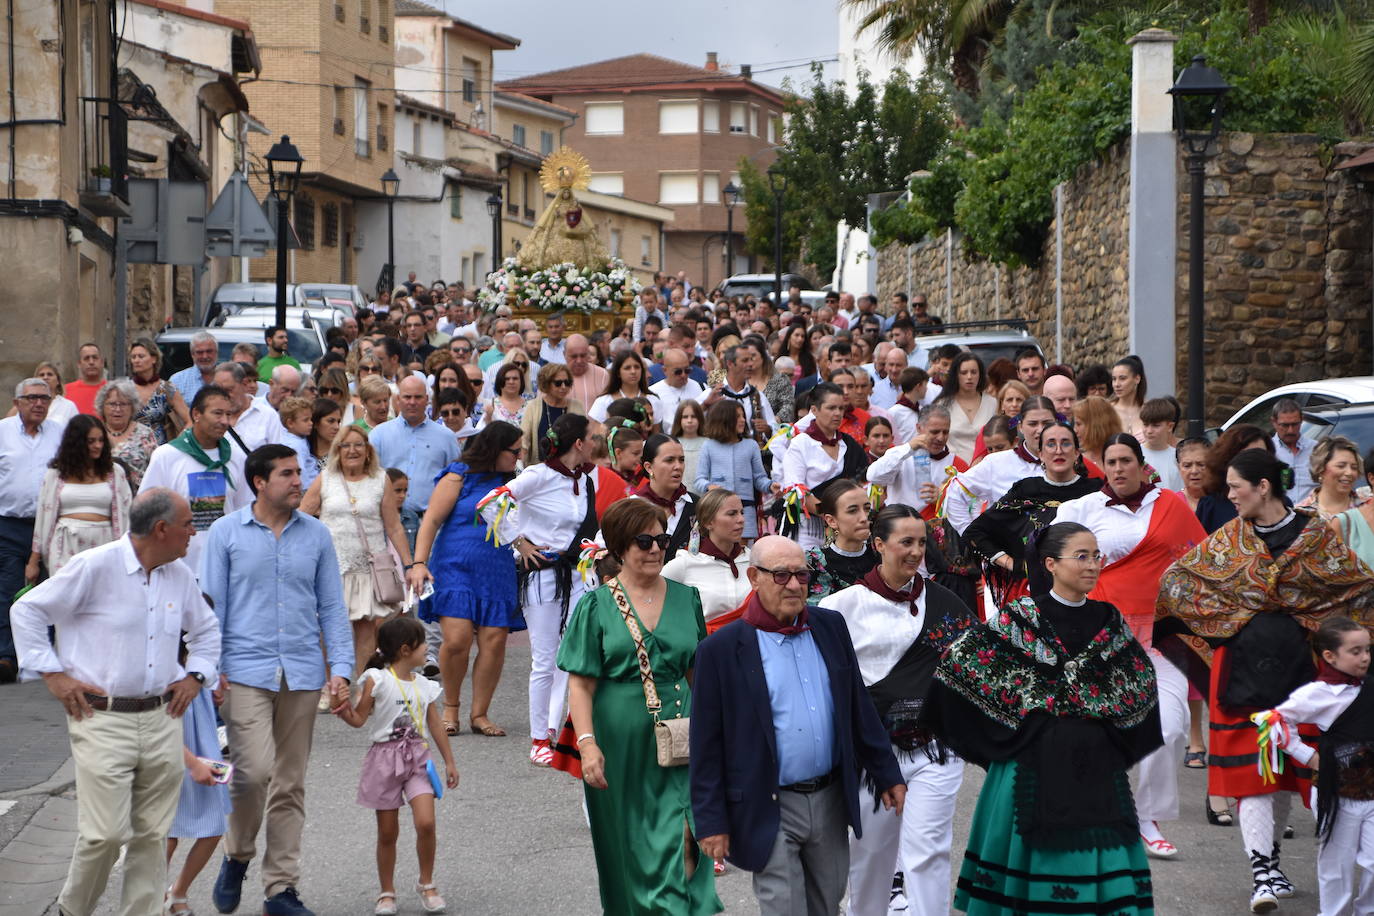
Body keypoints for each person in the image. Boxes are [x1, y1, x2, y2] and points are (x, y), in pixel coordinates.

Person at [1156, 449, 1374, 913]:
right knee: (1251, 773)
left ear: (1263, 487)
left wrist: (1338, 642)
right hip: (1240, 666)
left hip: (1304, 669)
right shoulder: (1229, 540)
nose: (1229, 496)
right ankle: (1262, 871)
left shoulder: (1315, 534)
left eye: (1236, 487)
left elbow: (1357, 587)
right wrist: (1229, 619)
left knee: (1288, 773)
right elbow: (1177, 584)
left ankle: (1273, 863)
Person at [923, 522, 1164, 915]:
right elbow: (960, 671)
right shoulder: (1019, 618)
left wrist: (1107, 730)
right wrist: (1012, 733)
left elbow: (1139, 682)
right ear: (1050, 563)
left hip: (1095, 768)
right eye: (1081, 556)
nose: (1092, 565)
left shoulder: (1109, 620)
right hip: (1026, 767)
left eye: (1096, 556)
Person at [11, 489, 220, 916]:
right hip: (100, 718)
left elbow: (206, 631)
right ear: (161, 529)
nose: (192, 534)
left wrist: (196, 676)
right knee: (103, 835)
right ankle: (73, 910)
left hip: (163, 717)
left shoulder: (178, 574)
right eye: (186, 525)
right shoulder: (94, 566)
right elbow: (27, 611)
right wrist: (53, 675)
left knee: (151, 835)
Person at [690, 535, 906, 916]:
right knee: (784, 905)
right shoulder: (720, 650)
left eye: (801, 575)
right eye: (781, 576)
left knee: (827, 903)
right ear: (754, 577)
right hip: (767, 799)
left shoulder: (829, 626)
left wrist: (887, 772)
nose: (793, 585)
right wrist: (710, 821)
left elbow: (857, 705)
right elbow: (706, 743)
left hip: (830, 797)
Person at [202, 444, 353, 916]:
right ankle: (237, 854)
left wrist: (342, 669)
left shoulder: (317, 536)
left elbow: (332, 606)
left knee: (290, 783)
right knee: (252, 773)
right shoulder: (225, 533)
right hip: (244, 669)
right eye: (287, 474)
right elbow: (212, 608)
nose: (298, 482)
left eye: (299, 473)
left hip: (303, 671)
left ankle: (280, 890)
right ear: (259, 482)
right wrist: (210, 670)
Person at [556, 498, 722, 916]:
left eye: (661, 539)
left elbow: (696, 673)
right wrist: (588, 744)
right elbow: (580, 684)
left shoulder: (688, 599)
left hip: (681, 735)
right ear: (618, 546)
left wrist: (715, 729)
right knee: (632, 850)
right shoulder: (594, 605)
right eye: (643, 540)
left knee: (686, 834)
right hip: (621, 744)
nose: (654, 549)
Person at [817, 506, 975, 914]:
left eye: (922, 542)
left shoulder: (944, 602)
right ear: (879, 545)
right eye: (906, 542)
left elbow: (979, 663)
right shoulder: (839, 607)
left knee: (928, 851)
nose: (916, 551)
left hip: (935, 750)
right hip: (872, 753)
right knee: (871, 856)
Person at [1055, 433, 1204, 860]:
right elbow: (1056, 569)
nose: (1119, 469)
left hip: (1164, 635)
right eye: (1111, 462)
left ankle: (1146, 816)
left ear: (1142, 464)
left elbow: (1202, 560)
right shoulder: (1081, 509)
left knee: (1170, 728)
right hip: (1104, 634)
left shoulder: (1170, 505)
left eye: (1126, 461)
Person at [331, 616, 458, 916]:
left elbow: (436, 726)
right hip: (384, 760)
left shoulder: (425, 686)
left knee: (426, 823)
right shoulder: (378, 680)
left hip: (417, 758)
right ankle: (386, 891)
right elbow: (359, 719)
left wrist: (450, 762)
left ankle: (426, 883)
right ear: (405, 650)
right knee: (387, 832)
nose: (428, 647)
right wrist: (344, 709)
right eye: (423, 643)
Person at [492, 412, 599, 766]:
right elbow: (492, 503)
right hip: (542, 575)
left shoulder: (586, 479)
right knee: (544, 658)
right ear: (578, 443)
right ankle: (538, 738)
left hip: (579, 575)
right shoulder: (538, 474)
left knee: (572, 655)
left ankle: (557, 730)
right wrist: (518, 543)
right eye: (593, 437)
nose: (599, 443)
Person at [407, 422, 524, 738]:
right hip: (454, 565)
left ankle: (480, 714)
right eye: (514, 450)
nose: (519, 455)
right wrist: (419, 562)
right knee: (456, 640)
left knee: (495, 640)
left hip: (496, 568)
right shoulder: (458, 474)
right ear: (495, 449)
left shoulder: (515, 482)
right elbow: (431, 520)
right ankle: (451, 707)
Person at [1253, 616, 1373, 916]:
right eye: (1355, 651)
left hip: (1373, 790)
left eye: (1368, 650)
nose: (1365, 657)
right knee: (1337, 861)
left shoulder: (1369, 687)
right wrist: (1308, 756)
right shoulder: (1317, 694)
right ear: (1330, 656)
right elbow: (1274, 720)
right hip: (1336, 791)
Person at [301, 424, 412, 686]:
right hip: (332, 565)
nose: (352, 450)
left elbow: (393, 525)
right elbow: (304, 514)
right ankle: (331, 686)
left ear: (368, 450)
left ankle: (365, 686)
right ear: (338, 450)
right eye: (346, 445)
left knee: (365, 627)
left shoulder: (379, 479)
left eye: (358, 445)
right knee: (330, 628)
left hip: (368, 565)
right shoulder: (326, 478)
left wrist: (410, 563)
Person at [964, 420, 1101, 606]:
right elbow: (975, 533)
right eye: (1051, 444)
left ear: (1077, 453)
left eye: (1066, 443)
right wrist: (1011, 563)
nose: (1058, 450)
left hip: (1090, 591)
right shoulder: (1026, 490)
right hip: (1033, 595)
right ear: (1041, 454)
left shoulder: (1097, 492)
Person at [138, 386, 252, 575]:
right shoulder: (167, 456)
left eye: (228, 414)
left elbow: (244, 512)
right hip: (177, 568)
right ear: (197, 414)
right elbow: (146, 512)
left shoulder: (236, 457)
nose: (225, 421)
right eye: (217, 413)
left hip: (224, 568)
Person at [165, 628, 234, 916]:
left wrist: (214, 690)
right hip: (173, 758)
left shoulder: (201, 669)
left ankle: (178, 891)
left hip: (204, 754)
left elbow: (214, 697)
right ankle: (153, 894)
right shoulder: (162, 674)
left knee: (214, 827)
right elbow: (159, 732)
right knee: (165, 835)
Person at [27, 414, 131, 584]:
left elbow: (127, 513)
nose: (97, 446)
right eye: (91, 441)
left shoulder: (115, 472)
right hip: (65, 544)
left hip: (104, 544)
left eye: (100, 440)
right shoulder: (56, 474)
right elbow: (42, 518)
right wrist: (33, 561)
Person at [945, 398, 1058, 534]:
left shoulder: (1072, 462)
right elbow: (956, 493)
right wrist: (972, 535)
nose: (1040, 430)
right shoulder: (996, 462)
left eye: (1047, 423)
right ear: (1021, 426)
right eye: (1033, 423)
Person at [780, 383, 867, 548]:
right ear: (814, 410)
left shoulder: (849, 444)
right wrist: (832, 516)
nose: (837, 414)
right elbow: (796, 491)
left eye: (841, 408)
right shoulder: (801, 443)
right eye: (831, 408)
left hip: (844, 528)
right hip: (807, 528)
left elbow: (864, 479)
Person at [370, 376, 462, 518]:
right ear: (398, 399)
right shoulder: (378, 435)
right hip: (388, 519)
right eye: (407, 397)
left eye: (418, 397)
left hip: (431, 521)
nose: (412, 402)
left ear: (427, 399)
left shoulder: (446, 437)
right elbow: (370, 476)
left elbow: (457, 479)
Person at [661, 489, 752, 624]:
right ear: (708, 522)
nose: (741, 519)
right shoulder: (685, 563)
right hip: (707, 644)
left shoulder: (753, 559)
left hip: (751, 642)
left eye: (741, 513)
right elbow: (655, 601)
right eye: (732, 514)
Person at [866, 403, 968, 518]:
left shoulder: (958, 464)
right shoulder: (900, 456)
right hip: (898, 526)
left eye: (945, 432)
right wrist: (908, 448)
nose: (940, 438)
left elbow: (969, 507)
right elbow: (873, 476)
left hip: (937, 530)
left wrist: (944, 499)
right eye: (934, 432)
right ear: (919, 428)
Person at [694, 400, 771, 542]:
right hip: (718, 512)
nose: (743, 420)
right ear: (724, 418)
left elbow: (759, 478)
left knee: (742, 552)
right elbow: (699, 480)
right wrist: (709, 486)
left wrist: (771, 486)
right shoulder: (709, 446)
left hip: (745, 511)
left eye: (743, 416)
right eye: (738, 417)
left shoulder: (751, 445)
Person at [805, 478, 878, 600]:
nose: (864, 517)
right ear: (832, 521)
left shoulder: (883, 555)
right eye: (853, 511)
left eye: (866, 508)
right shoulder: (815, 563)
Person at [1195, 424, 1273, 533]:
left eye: (1261, 454)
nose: (1255, 461)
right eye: (1247, 456)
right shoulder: (1211, 505)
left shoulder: (1280, 503)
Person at [630, 434, 695, 561]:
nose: (678, 466)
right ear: (649, 467)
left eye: (681, 460)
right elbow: (604, 549)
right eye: (669, 460)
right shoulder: (631, 507)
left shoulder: (697, 505)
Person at [96, 377, 160, 490]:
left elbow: (156, 470)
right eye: (112, 404)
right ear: (102, 406)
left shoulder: (145, 433)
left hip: (137, 498)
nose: (117, 409)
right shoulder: (93, 432)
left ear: (132, 407)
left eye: (123, 404)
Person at [935, 353, 996, 465]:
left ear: (980, 374)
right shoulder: (942, 405)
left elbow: (1009, 428)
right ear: (956, 375)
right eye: (964, 372)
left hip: (987, 469)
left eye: (973, 372)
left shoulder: (993, 403)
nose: (969, 377)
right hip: (953, 469)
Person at [129, 338, 190, 444]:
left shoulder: (166, 388)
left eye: (141, 356)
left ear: (154, 359)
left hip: (158, 450)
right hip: (130, 449)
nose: (136, 360)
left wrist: (177, 444)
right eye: (133, 357)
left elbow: (190, 420)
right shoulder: (125, 388)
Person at [521, 361, 583, 459]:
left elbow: (584, 438)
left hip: (570, 468)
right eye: (558, 383)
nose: (563, 387)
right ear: (546, 383)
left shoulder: (577, 406)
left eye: (567, 383)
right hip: (539, 468)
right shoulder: (532, 406)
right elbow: (524, 439)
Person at [1297, 435, 1368, 519]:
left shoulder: (1368, 505)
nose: (1349, 472)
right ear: (1320, 469)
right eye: (1341, 466)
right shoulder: (1301, 514)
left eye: (1354, 467)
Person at [589, 350, 662, 425]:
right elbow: (597, 432)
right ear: (618, 373)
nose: (633, 371)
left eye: (637, 367)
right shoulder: (604, 401)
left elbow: (656, 433)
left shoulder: (653, 400)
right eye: (627, 368)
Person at [1270, 398, 1317, 503]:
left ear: (1302, 421)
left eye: (1295, 424)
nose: (1290, 430)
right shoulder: (1268, 450)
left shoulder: (1317, 449)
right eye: (1285, 425)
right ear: (1274, 422)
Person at [1140, 397, 1185, 490]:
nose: (1149, 431)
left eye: (1156, 426)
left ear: (1170, 426)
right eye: (1145, 425)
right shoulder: (1135, 455)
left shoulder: (1177, 457)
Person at [170, 331, 222, 405]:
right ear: (192, 355)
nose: (205, 356)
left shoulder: (229, 378)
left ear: (217, 352)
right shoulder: (177, 380)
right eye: (200, 352)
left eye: (209, 351)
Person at [1072, 395, 1123, 470]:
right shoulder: (1076, 462)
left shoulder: (1126, 457)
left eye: (1078, 424)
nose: (1074, 430)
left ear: (1095, 426)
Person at [565, 334, 610, 412]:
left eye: (583, 356)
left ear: (588, 354)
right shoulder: (554, 376)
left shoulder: (603, 375)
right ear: (564, 354)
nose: (579, 361)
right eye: (574, 356)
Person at [480, 360, 531, 428]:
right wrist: (488, 418)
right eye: (507, 379)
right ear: (500, 380)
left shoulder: (531, 406)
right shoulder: (490, 404)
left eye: (515, 378)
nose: (511, 382)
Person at [672, 400, 706, 497]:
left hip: (703, 496)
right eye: (685, 417)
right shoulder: (672, 443)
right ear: (679, 419)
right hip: (679, 496)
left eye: (694, 416)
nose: (689, 420)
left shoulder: (708, 443)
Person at [66, 343, 109, 416]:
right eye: (86, 358)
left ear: (102, 362)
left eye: (95, 358)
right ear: (79, 364)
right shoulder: (65, 391)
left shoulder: (112, 390)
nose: (91, 362)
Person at [1110, 355, 1147, 438]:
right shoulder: (1107, 410)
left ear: (1137, 379)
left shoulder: (1149, 409)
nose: (1117, 384)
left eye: (1122, 378)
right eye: (1114, 379)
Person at [1176, 436, 1211, 512]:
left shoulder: (1226, 501)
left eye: (1201, 464)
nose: (1194, 471)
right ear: (1179, 467)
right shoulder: (1173, 503)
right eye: (1187, 466)